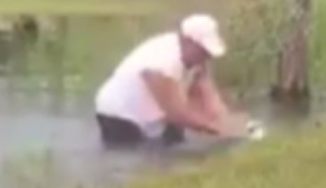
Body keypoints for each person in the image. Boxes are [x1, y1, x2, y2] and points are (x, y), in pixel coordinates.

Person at [94, 13, 247, 148]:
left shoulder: (197, 58)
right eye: (202, 50)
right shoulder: (161, 62)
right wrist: (217, 129)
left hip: (154, 111)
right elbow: (176, 113)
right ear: (186, 40)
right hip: (120, 113)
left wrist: (227, 122)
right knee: (133, 156)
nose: (206, 56)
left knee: (173, 146)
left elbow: (208, 94)